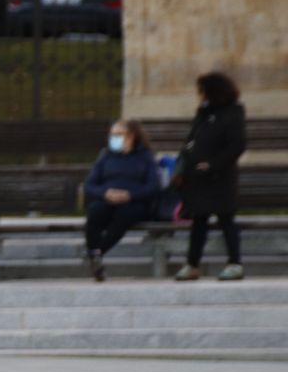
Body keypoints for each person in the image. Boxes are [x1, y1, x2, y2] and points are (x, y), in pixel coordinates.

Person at [174, 72, 247, 282]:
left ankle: (235, 262)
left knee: (226, 220)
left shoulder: (233, 113)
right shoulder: (204, 113)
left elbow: (237, 145)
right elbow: (192, 139)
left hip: (219, 179)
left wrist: (213, 165)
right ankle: (192, 264)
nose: (201, 95)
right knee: (198, 222)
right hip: (197, 178)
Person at [82, 119, 162, 282]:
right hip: (107, 199)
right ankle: (95, 257)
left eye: (118, 134)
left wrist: (129, 195)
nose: (114, 138)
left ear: (131, 136)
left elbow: (154, 186)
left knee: (126, 215)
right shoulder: (106, 156)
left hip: (134, 202)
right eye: (112, 135)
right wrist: (105, 193)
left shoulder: (145, 157)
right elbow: (89, 185)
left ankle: (96, 253)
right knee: (95, 211)